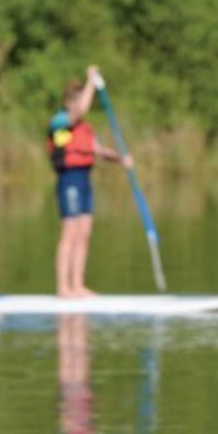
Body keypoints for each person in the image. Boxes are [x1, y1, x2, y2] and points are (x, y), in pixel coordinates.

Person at [47, 66, 131, 298]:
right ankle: (63, 288)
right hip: (69, 180)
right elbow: (80, 110)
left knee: (84, 231)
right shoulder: (60, 121)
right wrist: (91, 81)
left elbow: (99, 150)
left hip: (84, 179)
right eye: (74, 102)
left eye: (79, 102)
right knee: (70, 231)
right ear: (67, 103)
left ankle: (78, 285)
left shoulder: (85, 128)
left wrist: (122, 158)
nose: (79, 107)